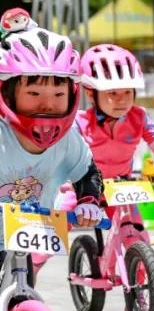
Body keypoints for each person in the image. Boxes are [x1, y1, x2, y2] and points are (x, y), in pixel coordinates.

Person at [0, 28, 106, 240]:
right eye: (33, 93)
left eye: (59, 94)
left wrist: (88, 202)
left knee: (25, 272)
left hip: (28, 233)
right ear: (8, 95)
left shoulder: (67, 141)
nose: (48, 105)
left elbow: (87, 173)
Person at [76, 44, 154, 183]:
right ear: (90, 94)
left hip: (121, 192)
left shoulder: (139, 117)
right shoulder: (78, 123)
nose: (122, 100)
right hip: (83, 194)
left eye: (128, 92)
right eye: (112, 93)